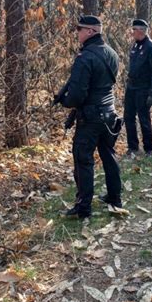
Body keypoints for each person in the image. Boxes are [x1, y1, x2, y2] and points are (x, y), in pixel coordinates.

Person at [55, 15, 122, 218]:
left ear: (91, 31)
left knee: (83, 160)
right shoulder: (112, 53)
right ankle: (114, 197)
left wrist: (64, 101)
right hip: (110, 114)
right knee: (109, 156)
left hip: (91, 117)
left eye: (80, 29)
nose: (77, 32)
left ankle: (83, 208)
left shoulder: (85, 58)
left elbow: (76, 95)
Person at [124, 19, 152, 156]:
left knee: (143, 118)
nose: (132, 32)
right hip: (132, 87)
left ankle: (148, 149)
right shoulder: (135, 46)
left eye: (134, 30)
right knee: (128, 117)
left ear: (140, 30)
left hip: (144, 88)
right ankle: (133, 147)